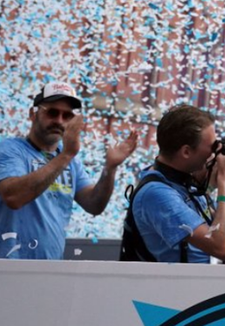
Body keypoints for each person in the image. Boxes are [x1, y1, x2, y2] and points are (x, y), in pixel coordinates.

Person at [0, 82, 138, 260]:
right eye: (52, 112)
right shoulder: (10, 150)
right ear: (32, 114)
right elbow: (13, 197)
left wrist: (110, 168)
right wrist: (66, 155)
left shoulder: (70, 161)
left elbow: (94, 204)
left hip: (51, 267)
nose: (59, 121)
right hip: (9, 268)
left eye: (67, 116)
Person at [123, 105, 225, 263]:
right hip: (173, 286)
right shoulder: (157, 193)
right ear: (186, 152)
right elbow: (223, 247)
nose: (214, 153)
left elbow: (218, 227)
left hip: (197, 284)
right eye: (212, 146)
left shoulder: (183, 182)